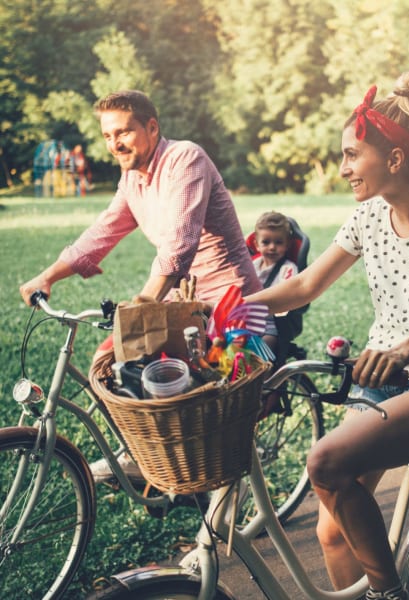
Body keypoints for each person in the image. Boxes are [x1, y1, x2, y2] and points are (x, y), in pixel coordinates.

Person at [244, 71, 409, 600]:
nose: (343, 168)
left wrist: (399, 352)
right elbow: (306, 285)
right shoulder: (367, 218)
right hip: (385, 380)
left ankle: (388, 593)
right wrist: (230, 307)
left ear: (395, 159)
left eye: (352, 155)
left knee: (325, 464)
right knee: (332, 531)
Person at [20, 89, 262, 481]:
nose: (115, 143)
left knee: (211, 410)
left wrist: (145, 303)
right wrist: (48, 275)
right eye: (107, 136)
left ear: (152, 127)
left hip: (228, 300)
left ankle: (213, 511)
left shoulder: (185, 159)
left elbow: (179, 246)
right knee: (110, 362)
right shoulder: (132, 177)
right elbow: (104, 231)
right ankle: (140, 456)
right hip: (183, 301)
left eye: (124, 132)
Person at [252, 211, 299, 353]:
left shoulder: (288, 269)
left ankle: (264, 373)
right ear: (256, 244)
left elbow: (286, 295)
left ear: (287, 244)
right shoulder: (252, 265)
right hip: (249, 319)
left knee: (263, 350)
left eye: (278, 242)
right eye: (266, 242)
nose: (272, 247)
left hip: (271, 323)